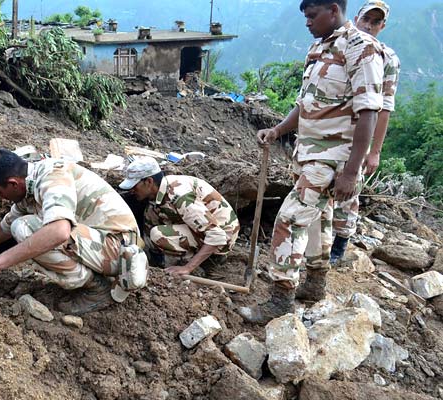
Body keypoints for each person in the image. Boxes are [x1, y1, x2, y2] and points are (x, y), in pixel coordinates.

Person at [237, 0, 385, 324]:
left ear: (334, 10)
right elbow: (305, 103)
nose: (307, 23)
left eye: (312, 15)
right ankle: (316, 284)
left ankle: (280, 299)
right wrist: (277, 130)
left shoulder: (362, 48)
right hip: (309, 154)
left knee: (289, 219)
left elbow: (369, 113)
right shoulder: (318, 48)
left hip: (334, 159)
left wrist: (351, 171)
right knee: (319, 219)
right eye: (305, 17)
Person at [0, 148, 147, 315]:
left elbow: (59, 232)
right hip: (100, 243)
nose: (0, 198)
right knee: (17, 224)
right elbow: (4, 226)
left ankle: (97, 288)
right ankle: (91, 279)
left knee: (24, 227)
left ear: (13, 183)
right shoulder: (27, 187)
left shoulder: (52, 176)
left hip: (120, 250)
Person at [329, 0, 401, 263]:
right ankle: (319, 241)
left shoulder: (387, 58)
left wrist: (374, 151)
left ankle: (339, 244)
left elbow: (384, 108)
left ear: (382, 26)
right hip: (328, 134)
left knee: (348, 192)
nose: (368, 25)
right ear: (356, 17)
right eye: (365, 19)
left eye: (375, 22)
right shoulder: (339, 44)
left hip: (355, 138)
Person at [119, 156, 240, 279]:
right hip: (204, 229)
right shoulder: (158, 190)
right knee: (150, 217)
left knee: (158, 234)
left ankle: (194, 264)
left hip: (223, 236)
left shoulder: (179, 196)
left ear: (149, 182)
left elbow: (217, 235)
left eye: (134, 186)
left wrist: (188, 267)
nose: (132, 191)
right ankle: (158, 262)